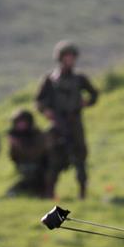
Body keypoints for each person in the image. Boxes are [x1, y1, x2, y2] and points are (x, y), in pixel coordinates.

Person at [35, 40, 99, 200]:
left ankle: (82, 193)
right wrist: (46, 111)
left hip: (75, 122)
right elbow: (39, 100)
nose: (69, 60)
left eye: (72, 57)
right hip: (58, 123)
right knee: (54, 159)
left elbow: (94, 94)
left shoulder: (79, 79)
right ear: (60, 58)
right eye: (66, 57)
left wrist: (87, 102)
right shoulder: (50, 79)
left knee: (80, 158)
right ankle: (50, 192)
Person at [6, 108, 48, 198]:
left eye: (23, 122)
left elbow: (35, 154)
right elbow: (14, 157)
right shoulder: (15, 135)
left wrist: (18, 145)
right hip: (24, 165)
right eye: (18, 122)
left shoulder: (37, 135)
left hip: (41, 166)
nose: (21, 125)